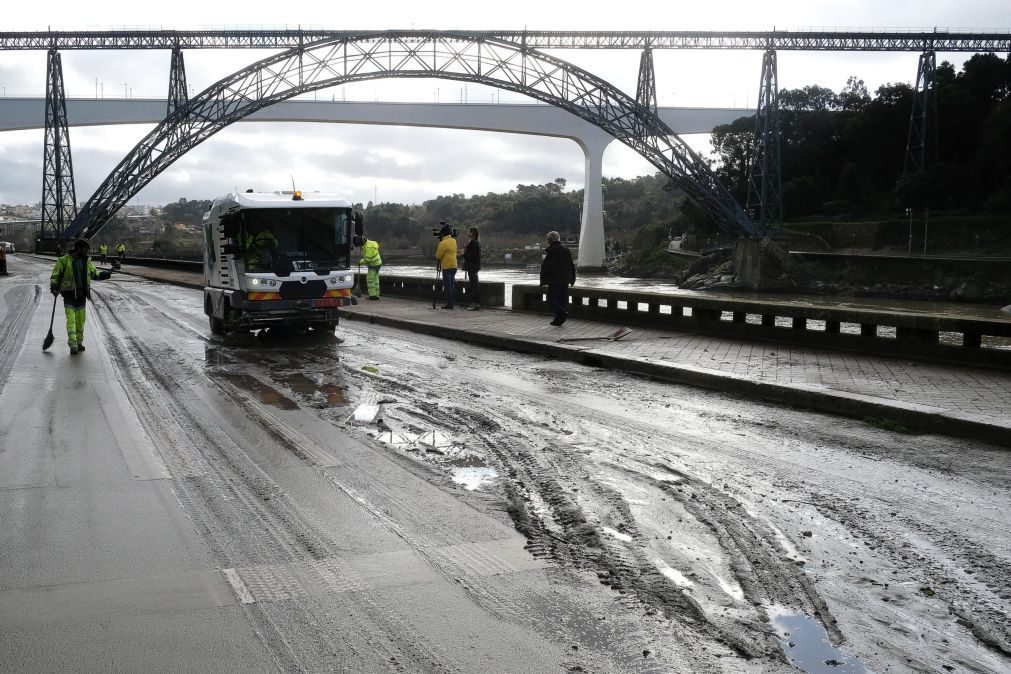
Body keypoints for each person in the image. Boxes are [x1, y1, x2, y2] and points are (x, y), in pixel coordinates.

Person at [50, 239, 112, 355]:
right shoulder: (64, 261)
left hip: (81, 296)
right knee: (71, 320)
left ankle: (79, 343)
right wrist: (54, 287)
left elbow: (95, 274)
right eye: (86, 250)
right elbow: (55, 275)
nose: (87, 253)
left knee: (80, 321)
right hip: (69, 295)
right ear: (79, 249)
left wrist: (107, 274)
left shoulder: (86, 261)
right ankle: (73, 344)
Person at [539, 230, 576, 326]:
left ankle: (562, 313)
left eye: (548, 239)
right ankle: (558, 320)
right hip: (565, 280)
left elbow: (549, 266)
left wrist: (543, 276)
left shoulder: (552, 250)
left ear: (550, 239)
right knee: (561, 300)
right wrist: (572, 279)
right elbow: (571, 265)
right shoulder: (566, 250)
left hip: (555, 280)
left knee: (552, 300)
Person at [435, 223, 458, 309]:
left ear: (442, 234)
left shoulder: (443, 243)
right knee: (452, 285)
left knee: (448, 286)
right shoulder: (454, 241)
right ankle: (452, 302)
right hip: (454, 266)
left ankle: (449, 304)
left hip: (447, 267)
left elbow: (438, 256)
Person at [461, 226, 481, 310]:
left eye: (469, 232)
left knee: (474, 285)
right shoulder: (474, 242)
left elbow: (473, 255)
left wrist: (464, 254)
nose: (468, 233)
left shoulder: (474, 243)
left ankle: (475, 304)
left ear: (473, 233)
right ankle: (474, 303)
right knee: (473, 284)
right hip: (473, 266)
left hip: (472, 266)